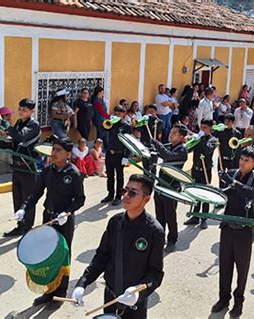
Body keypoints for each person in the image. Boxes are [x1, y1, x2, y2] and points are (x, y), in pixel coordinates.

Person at [71, 174, 164, 319]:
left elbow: (156, 274)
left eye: (132, 193)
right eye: (124, 190)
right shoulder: (115, 222)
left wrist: (138, 293)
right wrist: (83, 283)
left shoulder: (154, 231)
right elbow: (102, 256)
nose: (126, 196)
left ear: (146, 199)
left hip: (135, 304)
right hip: (110, 297)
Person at [15, 138, 85, 306]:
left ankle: (60, 293)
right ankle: (49, 290)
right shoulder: (47, 171)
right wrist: (23, 208)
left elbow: (80, 199)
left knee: (62, 256)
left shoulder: (73, 173)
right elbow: (36, 193)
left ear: (68, 154)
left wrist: (67, 213)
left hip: (64, 221)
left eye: (59, 150)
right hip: (48, 218)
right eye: (53, 149)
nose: (54, 153)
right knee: (46, 255)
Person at [212, 147, 254, 317]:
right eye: (241, 159)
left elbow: (252, 193)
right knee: (225, 266)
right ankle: (223, 298)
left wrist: (234, 183)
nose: (242, 163)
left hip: (244, 231)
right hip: (227, 227)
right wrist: (221, 181)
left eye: (246, 160)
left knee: (242, 269)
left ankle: (239, 301)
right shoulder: (233, 173)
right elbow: (222, 195)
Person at [3, 98, 41, 237]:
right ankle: (20, 225)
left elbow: (20, 137)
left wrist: (8, 128)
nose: (21, 112)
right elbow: (14, 143)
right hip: (17, 166)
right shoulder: (19, 122)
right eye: (19, 109)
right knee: (17, 198)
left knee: (28, 198)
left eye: (24, 110)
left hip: (28, 167)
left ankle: (27, 226)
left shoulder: (34, 124)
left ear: (32, 111)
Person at [151, 124, 188, 252]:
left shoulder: (182, 150)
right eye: (171, 131)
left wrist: (157, 144)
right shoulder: (170, 146)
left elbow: (167, 155)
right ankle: (159, 238)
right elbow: (161, 153)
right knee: (159, 215)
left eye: (174, 133)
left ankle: (172, 240)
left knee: (170, 216)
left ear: (182, 137)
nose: (170, 134)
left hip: (171, 188)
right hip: (161, 186)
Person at [184, 120, 217, 230]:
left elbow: (207, 150)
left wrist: (201, 138)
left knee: (205, 195)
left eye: (205, 128)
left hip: (205, 170)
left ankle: (204, 218)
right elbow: (189, 149)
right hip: (195, 169)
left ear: (210, 129)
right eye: (201, 127)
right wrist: (189, 141)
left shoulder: (213, 140)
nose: (202, 129)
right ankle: (195, 216)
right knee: (195, 194)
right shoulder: (198, 138)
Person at [101, 106, 132, 206]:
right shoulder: (111, 124)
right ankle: (110, 194)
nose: (118, 114)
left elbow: (129, 143)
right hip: (110, 153)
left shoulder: (126, 126)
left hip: (120, 154)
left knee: (119, 176)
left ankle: (118, 196)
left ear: (124, 114)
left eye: (120, 112)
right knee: (110, 175)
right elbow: (102, 129)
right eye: (116, 112)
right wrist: (109, 121)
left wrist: (126, 156)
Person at [92, 86, 110, 152]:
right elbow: (101, 111)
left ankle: (106, 149)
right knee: (101, 135)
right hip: (99, 120)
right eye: (102, 92)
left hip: (103, 119)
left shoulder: (100, 99)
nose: (103, 93)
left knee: (105, 135)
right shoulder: (96, 100)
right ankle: (98, 149)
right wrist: (109, 116)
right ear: (99, 92)